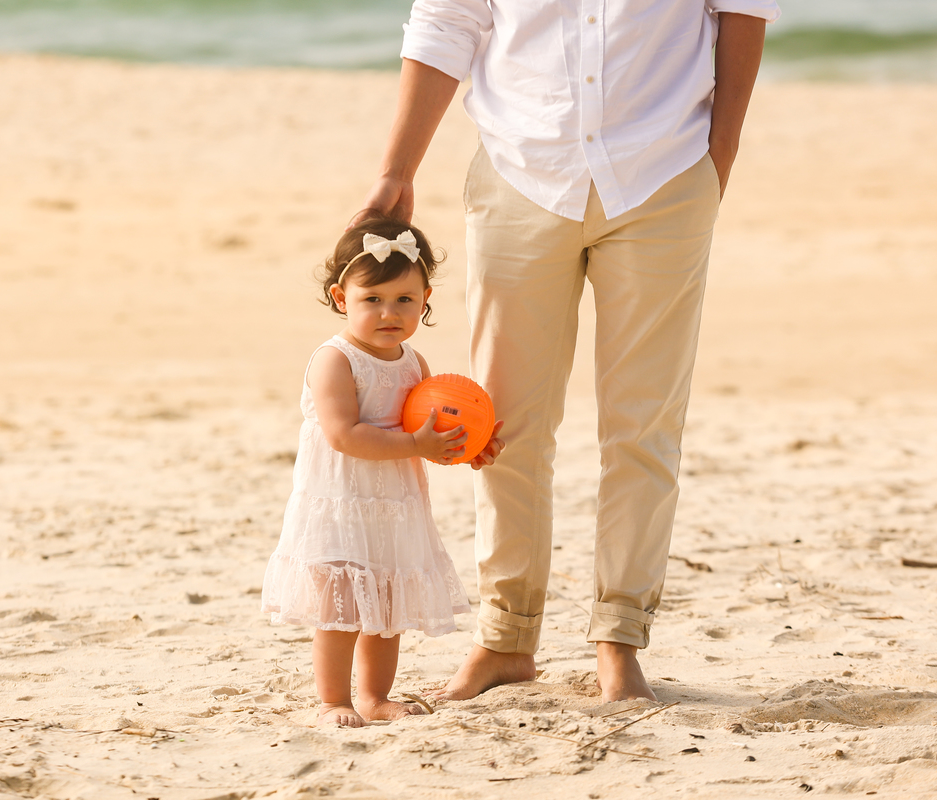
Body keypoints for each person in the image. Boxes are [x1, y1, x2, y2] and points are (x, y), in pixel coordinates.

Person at [352, 0, 781, 702]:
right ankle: (506, 637)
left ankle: (619, 640)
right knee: (500, 427)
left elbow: (742, 9)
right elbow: (448, 18)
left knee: (643, 428)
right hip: (520, 169)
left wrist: (719, 151)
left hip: (662, 171)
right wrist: (398, 168)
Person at [261, 216, 473, 727]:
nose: (389, 313)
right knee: (342, 607)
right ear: (341, 298)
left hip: (394, 503)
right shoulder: (335, 361)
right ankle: (333, 700)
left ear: (424, 299)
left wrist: (457, 446)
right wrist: (415, 442)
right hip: (341, 500)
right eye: (372, 299)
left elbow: (427, 426)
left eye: (404, 299)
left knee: (386, 603)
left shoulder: (414, 363)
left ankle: (376, 696)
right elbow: (344, 435)